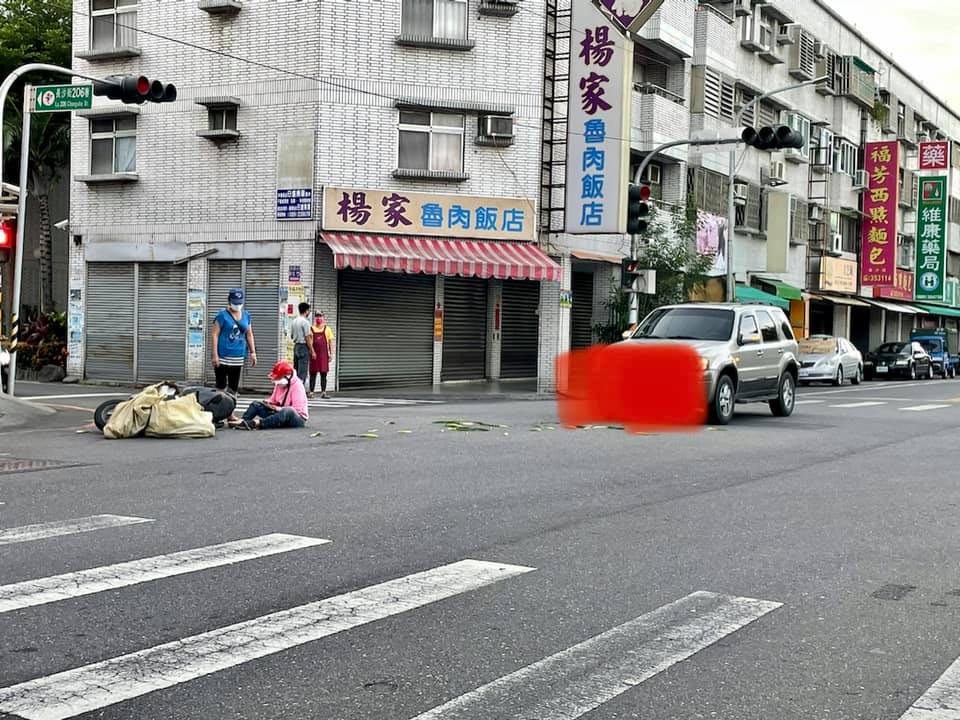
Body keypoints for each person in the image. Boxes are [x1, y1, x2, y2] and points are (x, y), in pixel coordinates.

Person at [231, 360, 308, 430]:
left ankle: (258, 423)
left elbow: (297, 410)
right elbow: (273, 400)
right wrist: (267, 403)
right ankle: (244, 421)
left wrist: (277, 408)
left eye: (278, 379)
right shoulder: (279, 385)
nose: (276, 382)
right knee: (256, 404)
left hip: (296, 418)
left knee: (288, 411)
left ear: (287, 377)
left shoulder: (297, 386)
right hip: (279, 413)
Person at [211, 289, 257, 397]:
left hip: (238, 357)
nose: (238, 305)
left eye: (240, 303)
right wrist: (215, 355)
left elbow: (249, 334)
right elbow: (214, 335)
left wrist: (253, 352)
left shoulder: (246, 315)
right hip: (222, 356)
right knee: (221, 386)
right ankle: (220, 412)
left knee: (233, 388)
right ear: (229, 301)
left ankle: (230, 413)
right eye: (235, 303)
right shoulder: (221, 315)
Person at [309, 310, 335, 398]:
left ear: (323, 318)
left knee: (324, 374)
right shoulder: (311, 328)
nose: (318, 318)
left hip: (324, 355)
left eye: (320, 316)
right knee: (313, 373)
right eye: (317, 316)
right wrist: (312, 351)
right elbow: (309, 342)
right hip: (314, 354)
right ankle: (311, 392)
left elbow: (330, 342)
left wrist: (331, 354)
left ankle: (324, 392)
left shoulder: (327, 329)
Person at [290, 302, 313, 387]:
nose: (309, 312)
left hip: (296, 346)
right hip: (303, 347)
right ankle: (299, 392)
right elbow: (307, 337)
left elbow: (292, 336)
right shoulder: (305, 322)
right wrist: (312, 350)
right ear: (306, 311)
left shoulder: (294, 321)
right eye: (309, 310)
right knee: (302, 372)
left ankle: (293, 391)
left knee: (296, 371)